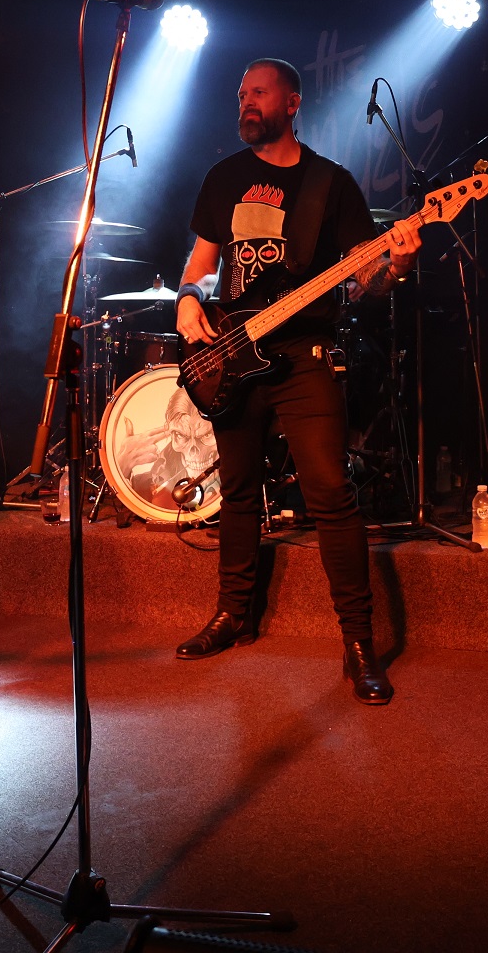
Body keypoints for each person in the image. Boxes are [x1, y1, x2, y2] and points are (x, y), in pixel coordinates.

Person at [173, 57, 421, 704]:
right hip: (234, 353)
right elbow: (201, 266)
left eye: (258, 92)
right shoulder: (224, 177)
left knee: (331, 494)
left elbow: (364, 281)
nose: (245, 102)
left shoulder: (329, 184)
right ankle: (233, 614)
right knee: (237, 493)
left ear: (292, 102)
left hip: (304, 356)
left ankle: (359, 643)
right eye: (240, 94)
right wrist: (188, 300)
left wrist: (394, 265)